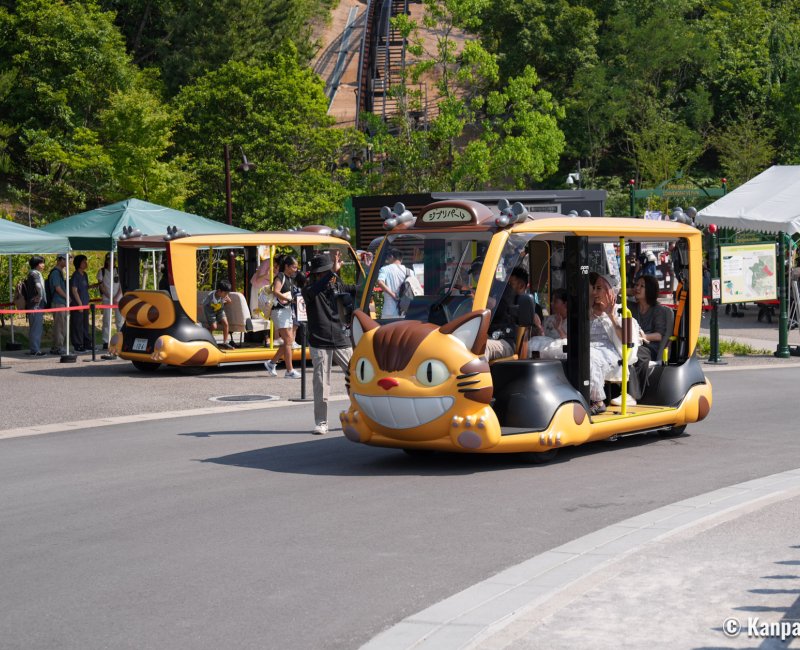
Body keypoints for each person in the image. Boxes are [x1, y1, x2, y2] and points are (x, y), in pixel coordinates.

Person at [302, 251, 357, 435]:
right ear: (318, 275)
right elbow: (317, 287)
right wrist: (332, 272)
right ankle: (321, 422)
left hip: (341, 337)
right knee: (321, 383)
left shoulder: (336, 284)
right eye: (323, 273)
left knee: (356, 378)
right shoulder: (309, 289)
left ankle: (361, 414)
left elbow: (355, 288)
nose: (327, 276)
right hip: (319, 340)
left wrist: (368, 273)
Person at [588, 273, 641, 415]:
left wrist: (611, 316)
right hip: (589, 347)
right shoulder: (588, 311)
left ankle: (597, 401)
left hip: (610, 353)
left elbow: (627, 340)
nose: (594, 292)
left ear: (610, 291)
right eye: (594, 288)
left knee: (589, 356)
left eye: (599, 288)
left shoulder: (621, 311)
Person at [265, 255, 301, 377]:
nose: (296, 269)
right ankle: (289, 370)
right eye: (294, 267)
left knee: (289, 341)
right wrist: (289, 299)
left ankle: (272, 363)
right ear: (286, 266)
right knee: (288, 340)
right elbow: (276, 291)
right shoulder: (280, 276)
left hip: (287, 311)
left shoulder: (290, 278)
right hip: (279, 311)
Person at [629, 274, 669, 361]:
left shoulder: (658, 309)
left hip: (648, 349)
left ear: (650, 289)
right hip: (632, 344)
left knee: (632, 354)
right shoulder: (631, 307)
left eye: (642, 286)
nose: (637, 288)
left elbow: (659, 335)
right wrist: (627, 291)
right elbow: (613, 296)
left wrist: (644, 336)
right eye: (636, 285)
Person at [97, 253, 124, 350]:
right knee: (106, 320)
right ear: (106, 261)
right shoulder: (102, 271)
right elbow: (101, 285)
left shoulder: (118, 271)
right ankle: (105, 341)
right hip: (107, 299)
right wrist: (109, 296)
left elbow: (121, 285)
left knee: (120, 321)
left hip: (118, 298)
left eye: (113, 260)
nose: (112, 262)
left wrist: (116, 297)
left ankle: (121, 340)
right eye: (110, 260)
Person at [69, 255, 94, 352]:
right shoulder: (75, 275)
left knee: (85, 324)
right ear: (79, 263)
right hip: (78, 304)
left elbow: (85, 287)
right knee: (77, 324)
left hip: (85, 303)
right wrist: (79, 304)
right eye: (84, 262)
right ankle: (78, 344)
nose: (86, 263)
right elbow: (74, 290)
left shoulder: (85, 275)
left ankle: (86, 343)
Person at [375, 248, 408, 318]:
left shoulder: (385, 269)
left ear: (391, 257)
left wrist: (393, 294)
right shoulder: (409, 271)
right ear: (401, 259)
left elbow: (380, 282)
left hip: (389, 311)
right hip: (404, 311)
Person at [25, 256, 47, 356]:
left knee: (36, 327)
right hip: (35, 305)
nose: (43, 265)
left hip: (35, 305)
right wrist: (40, 295)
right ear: (37, 264)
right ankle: (35, 350)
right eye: (42, 263)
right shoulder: (34, 274)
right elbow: (38, 286)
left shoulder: (34, 273)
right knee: (36, 328)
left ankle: (35, 348)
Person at [47, 255, 69, 355]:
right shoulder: (55, 273)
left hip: (62, 302)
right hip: (58, 302)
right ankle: (57, 347)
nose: (68, 261)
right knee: (59, 326)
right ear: (59, 260)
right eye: (66, 259)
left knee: (62, 325)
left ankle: (59, 346)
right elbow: (57, 288)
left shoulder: (60, 272)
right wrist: (67, 297)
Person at [203, 280, 233, 349]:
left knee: (226, 323)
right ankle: (206, 334)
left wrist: (228, 301)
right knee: (214, 327)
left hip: (219, 310)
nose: (226, 295)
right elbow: (203, 304)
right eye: (225, 293)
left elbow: (229, 301)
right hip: (210, 311)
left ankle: (225, 342)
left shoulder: (224, 295)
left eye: (227, 293)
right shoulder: (210, 296)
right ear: (219, 291)